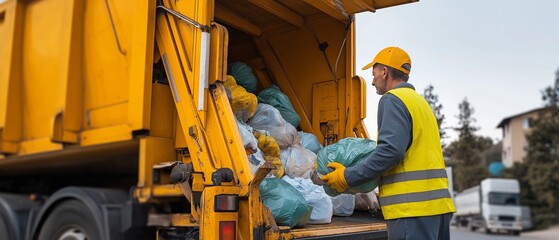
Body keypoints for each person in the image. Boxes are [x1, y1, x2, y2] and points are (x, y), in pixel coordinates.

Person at [321, 46, 456, 240]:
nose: (373, 80)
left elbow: (390, 152)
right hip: (438, 209)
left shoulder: (392, 100)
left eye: (374, 73)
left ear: (384, 72)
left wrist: (346, 177)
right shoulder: (420, 103)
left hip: (412, 211)